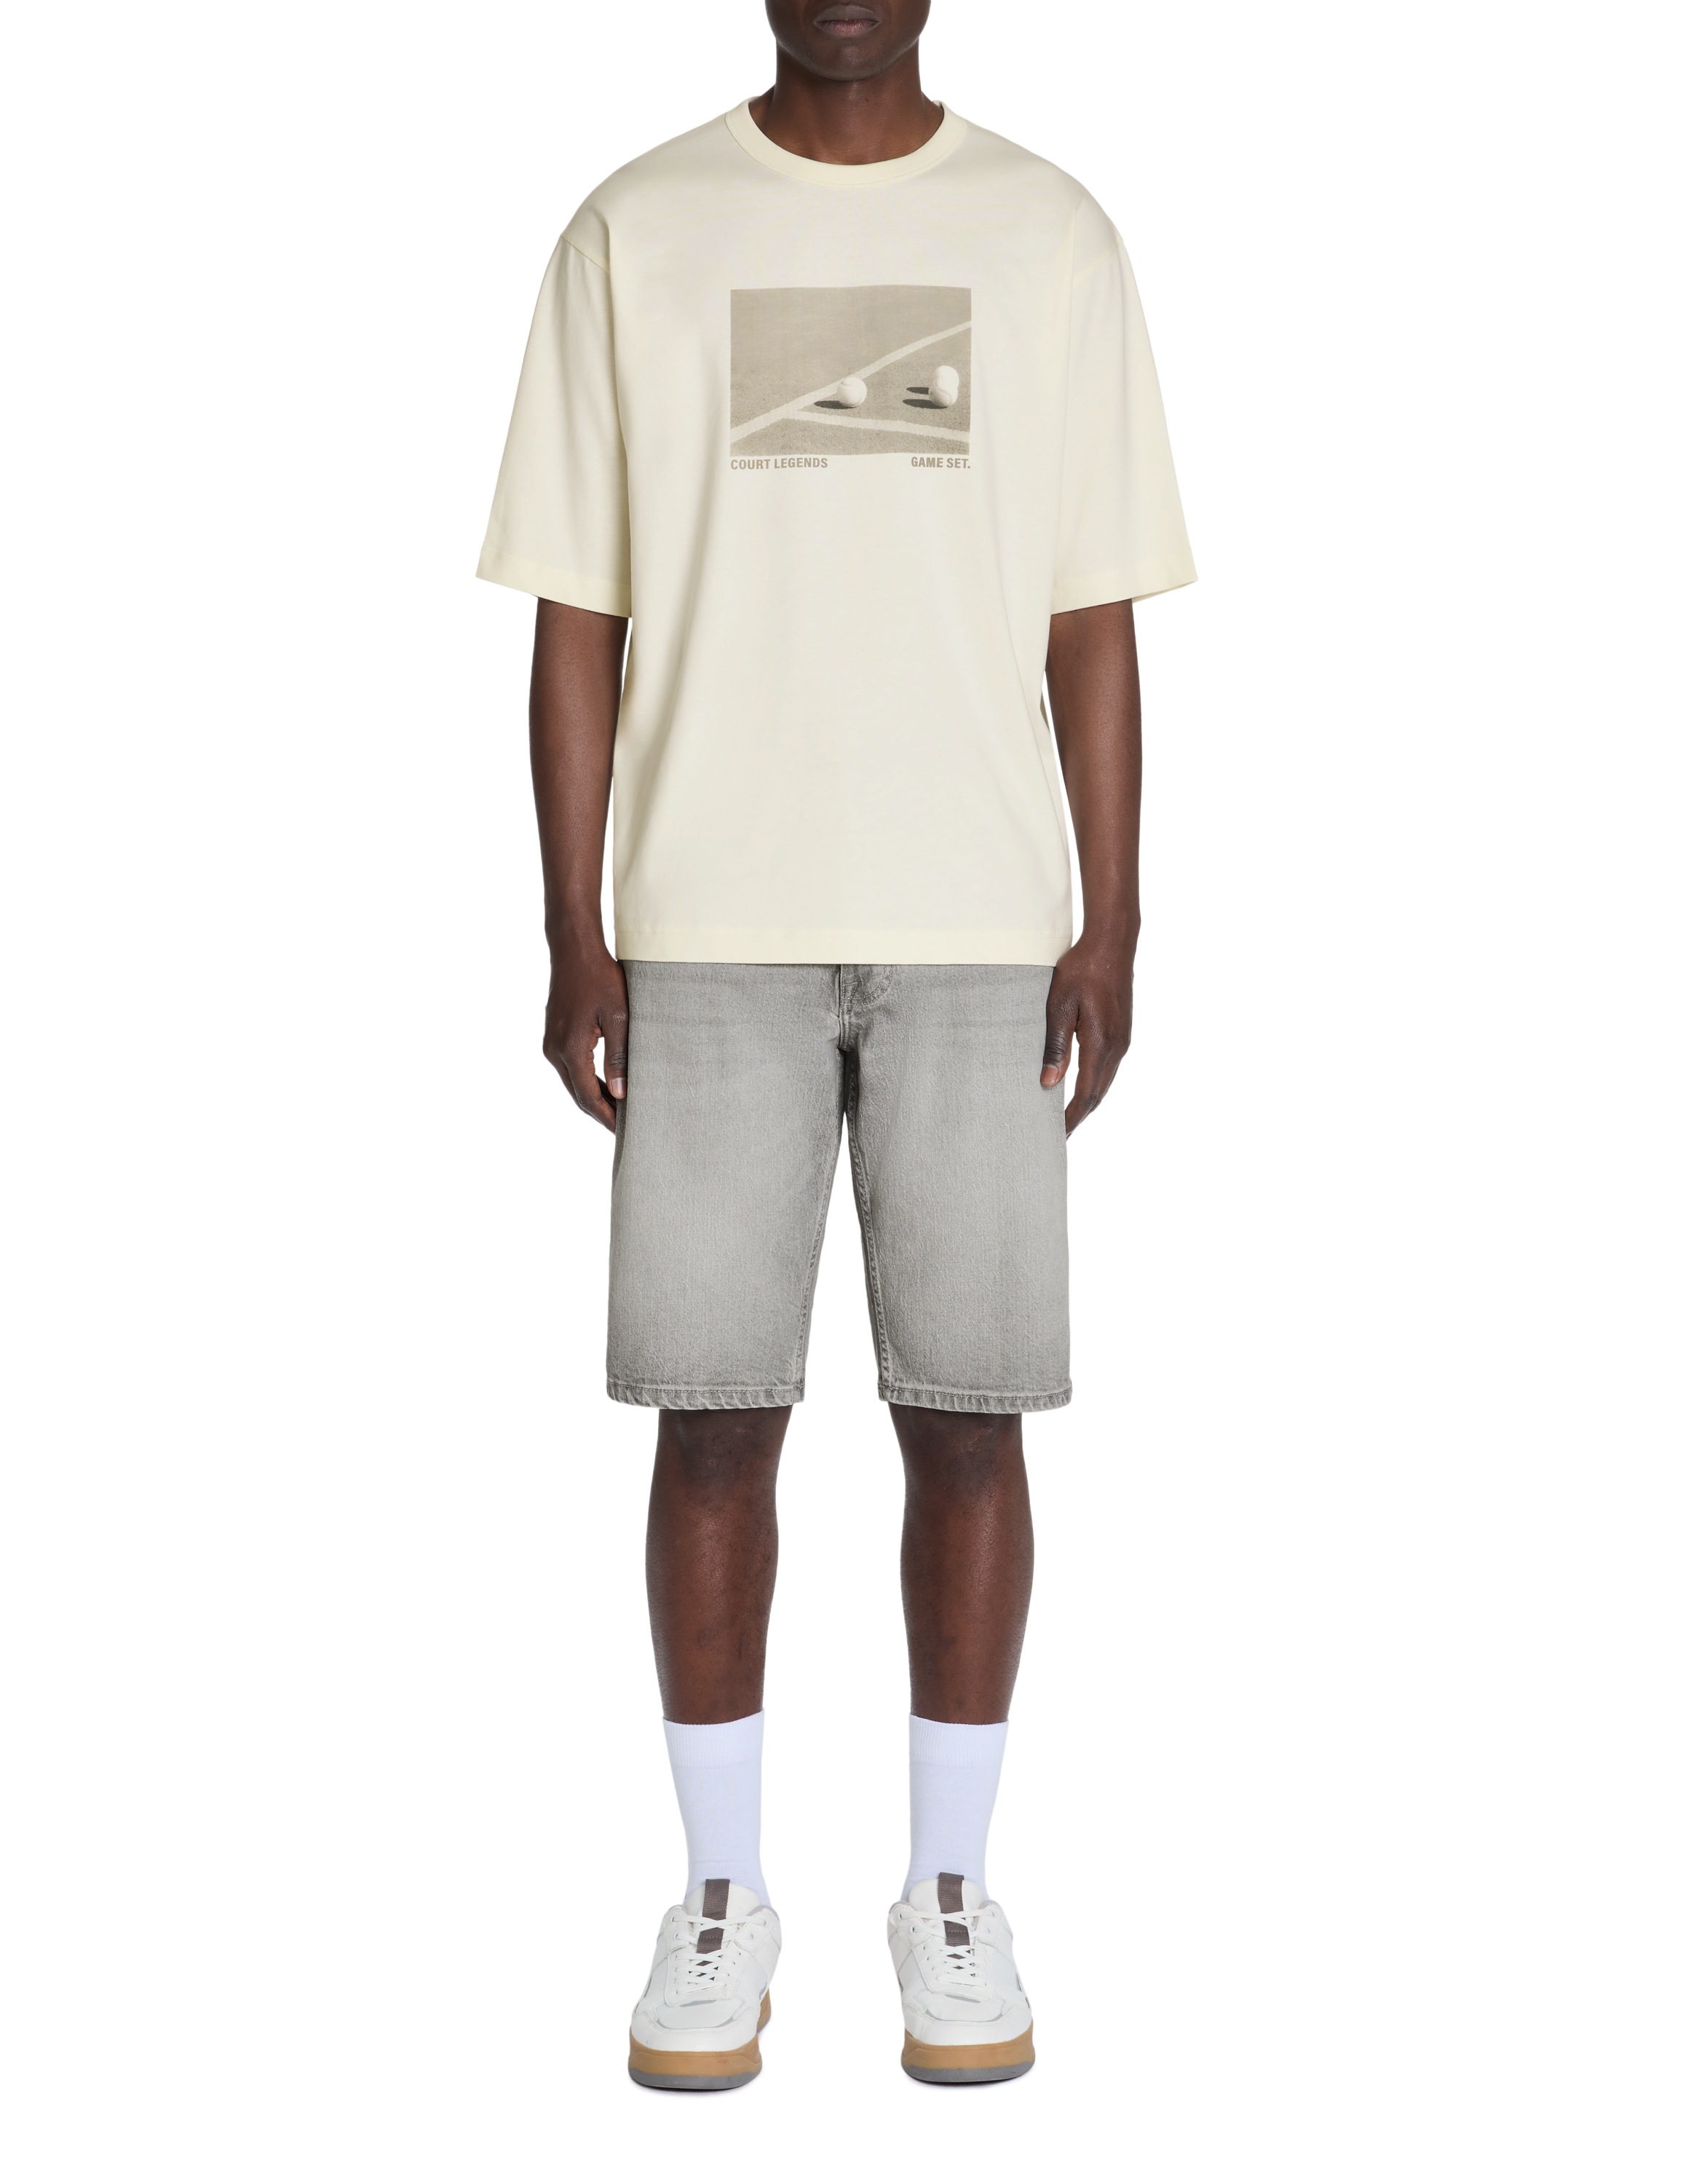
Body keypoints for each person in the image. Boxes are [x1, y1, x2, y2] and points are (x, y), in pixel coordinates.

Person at [477, 0, 1193, 2091]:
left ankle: (948, 1892)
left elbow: (1092, 617)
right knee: (713, 1421)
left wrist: (1111, 918)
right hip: (710, 930)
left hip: (981, 931)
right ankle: (721, 1896)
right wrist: (577, 929)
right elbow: (577, 617)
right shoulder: (636, 229)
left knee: (972, 1418)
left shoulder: (1051, 235)